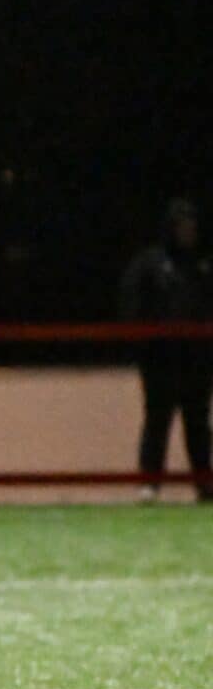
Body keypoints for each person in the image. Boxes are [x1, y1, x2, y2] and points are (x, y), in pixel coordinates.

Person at [117, 198, 212, 501]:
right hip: (160, 359)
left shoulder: (203, 265)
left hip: (197, 359)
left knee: (198, 424)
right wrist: (143, 344)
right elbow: (131, 304)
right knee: (157, 421)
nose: (188, 232)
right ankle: (150, 483)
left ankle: (204, 482)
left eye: (192, 226)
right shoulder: (150, 263)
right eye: (183, 226)